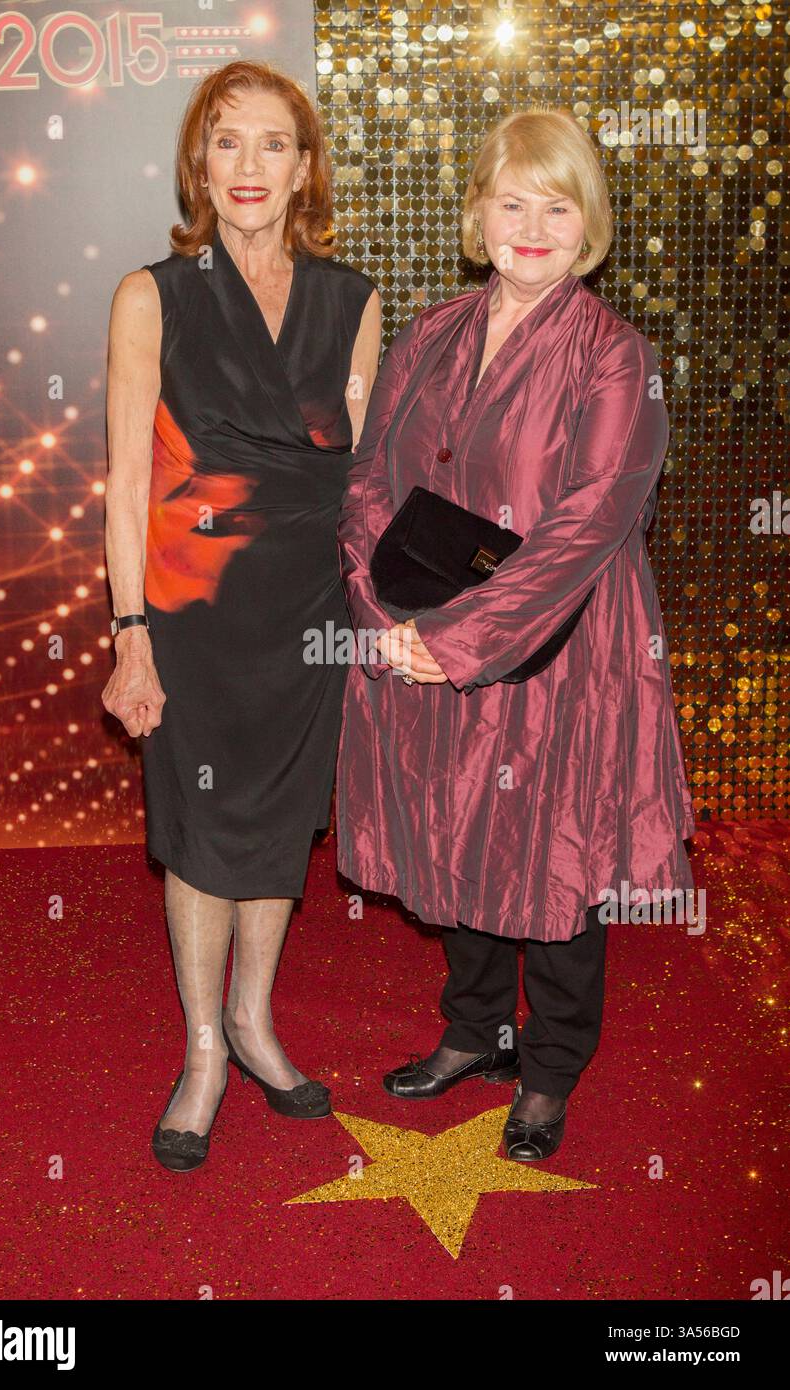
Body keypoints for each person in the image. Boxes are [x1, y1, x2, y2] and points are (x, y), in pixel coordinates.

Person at [336, 106, 696, 1162]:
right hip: (427, 632)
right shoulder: (430, 332)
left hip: (561, 649)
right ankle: (475, 1031)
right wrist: (389, 616)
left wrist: (457, 640)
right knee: (457, 834)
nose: (529, 225)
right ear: (476, 212)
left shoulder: (614, 358)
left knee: (553, 857)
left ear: (586, 224)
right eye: (508, 200)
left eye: (554, 204)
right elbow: (366, 484)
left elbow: (591, 524)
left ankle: (549, 1067)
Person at [103, 61, 380, 1171]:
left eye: (274, 143)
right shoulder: (151, 295)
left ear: (304, 166)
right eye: (227, 142)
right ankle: (204, 1050)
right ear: (198, 164)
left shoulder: (351, 302)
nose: (250, 166)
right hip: (191, 611)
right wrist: (130, 633)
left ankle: (257, 1022)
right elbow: (125, 482)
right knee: (203, 837)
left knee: (274, 831)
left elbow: (358, 481)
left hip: (308, 618)